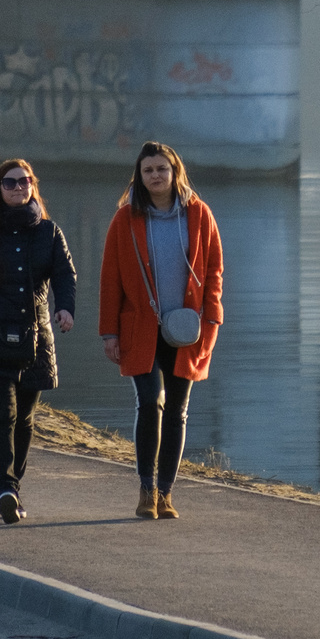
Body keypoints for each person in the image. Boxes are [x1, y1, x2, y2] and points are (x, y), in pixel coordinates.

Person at [98, 141, 223, 521]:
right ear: (140, 175)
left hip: (188, 329)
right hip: (140, 328)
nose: (155, 175)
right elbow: (111, 278)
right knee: (151, 400)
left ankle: (166, 493)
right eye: (148, 170)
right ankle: (146, 488)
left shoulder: (199, 215)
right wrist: (109, 332)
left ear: (175, 172)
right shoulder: (125, 219)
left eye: (162, 169)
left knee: (178, 411)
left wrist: (212, 318)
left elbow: (215, 269)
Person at [0, 159, 77, 524]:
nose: (19, 188)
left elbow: (66, 274)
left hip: (35, 341)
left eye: (25, 182)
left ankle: (12, 487)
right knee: (3, 414)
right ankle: (5, 489)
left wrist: (65, 308)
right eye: (10, 183)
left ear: (33, 186)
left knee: (25, 419)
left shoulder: (50, 233)